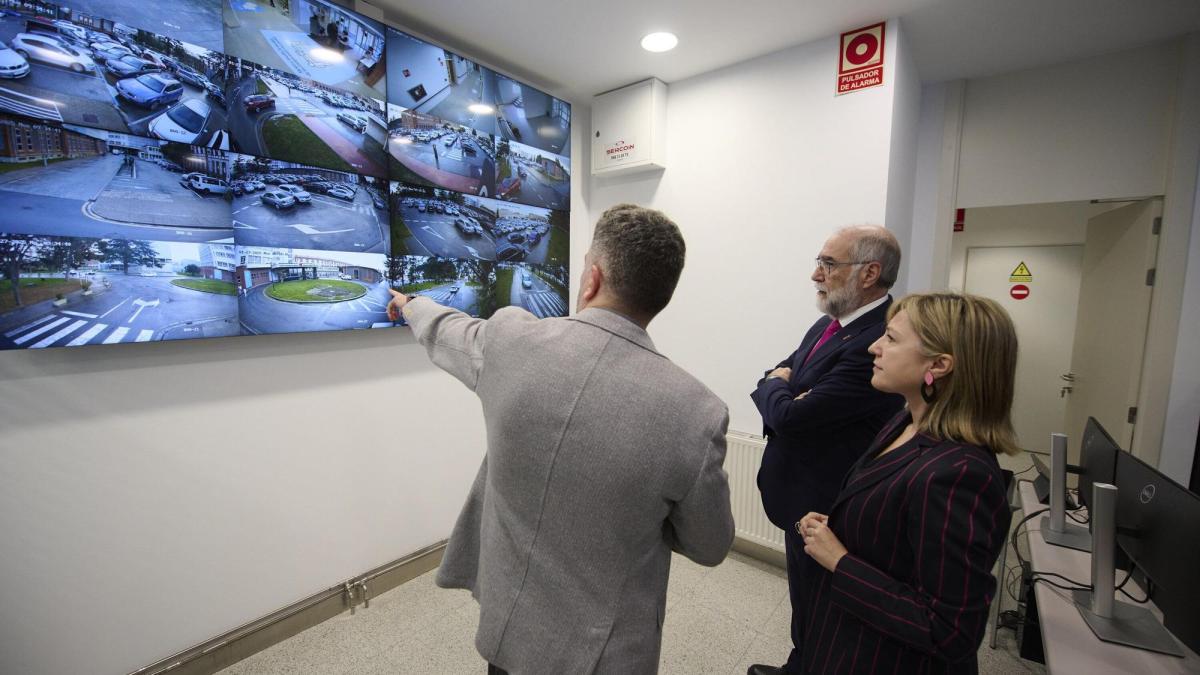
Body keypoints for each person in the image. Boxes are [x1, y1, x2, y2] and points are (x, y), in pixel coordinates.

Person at [386, 204, 734, 675]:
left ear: (591, 278)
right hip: (604, 657)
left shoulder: (509, 340)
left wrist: (411, 305)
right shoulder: (698, 412)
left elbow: (448, 331)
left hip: (508, 633)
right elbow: (710, 546)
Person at [796, 292, 1018, 674]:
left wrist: (840, 561)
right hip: (843, 645)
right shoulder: (904, 424)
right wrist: (840, 529)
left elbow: (949, 632)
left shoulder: (961, 473)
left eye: (892, 339)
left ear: (940, 364)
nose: (874, 347)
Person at [748, 226, 905, 675]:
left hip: (830, 505)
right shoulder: (828, 324)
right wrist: (783, 388)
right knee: (805, 600)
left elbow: (795, 416)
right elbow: (774, 375)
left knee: (827, 610)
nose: (816, 274)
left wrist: (785, 390)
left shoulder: (877, 339)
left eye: (828, 264)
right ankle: (800, 663)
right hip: (798, 495)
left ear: (870, 273)